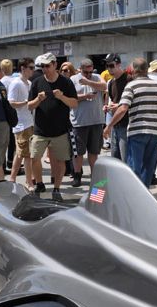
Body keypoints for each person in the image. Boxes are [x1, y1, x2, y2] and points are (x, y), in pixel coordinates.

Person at [104, 58, 157, 186]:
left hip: (137, 132)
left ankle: (132, 198)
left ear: (133, 69)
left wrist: (109, 126)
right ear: (146, 70)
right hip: (155, 133)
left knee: (134, 168)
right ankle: (144, 196)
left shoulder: (131, 86)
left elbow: (123, 108)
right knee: (148, 169)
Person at [28, 53, 78, 201]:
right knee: (34, 157)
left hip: (60, 130)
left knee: (60, 161)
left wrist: (61, 97)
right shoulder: (36, 82)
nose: (44, 69)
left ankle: (57, 187)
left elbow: (75, 103)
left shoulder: (66, 83)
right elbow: (29, 105)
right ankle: (40, 184)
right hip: (40, 129)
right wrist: (38, 99)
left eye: (47, 66)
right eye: (42, 66)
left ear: (55, 65)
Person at [70, 59, 107, 187]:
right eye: (86, 72)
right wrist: (85, 97)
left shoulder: (96, 77)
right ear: (80, 69)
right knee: (78, 152)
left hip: (96, 121)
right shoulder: (73, 79)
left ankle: (94, 176)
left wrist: (88, 82)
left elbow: (104, 86)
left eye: (90, 71)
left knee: (94, 151)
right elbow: (70, 97)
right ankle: (77, 175)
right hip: (79, 122)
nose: (88, 74)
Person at [8, 58, 35, 189]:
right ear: (23, 68)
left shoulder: (28, 83)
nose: (33, 70)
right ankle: (28, 182)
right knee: (27, 154)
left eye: (33, 67)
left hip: (29, 122)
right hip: (20, 124)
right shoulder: (16, 83)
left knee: (21, 154)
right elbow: (11, 103)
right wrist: (26, 102)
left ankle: (12, 178)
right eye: (30, 67)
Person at [104, 53, 130, 162]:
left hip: (127, 125)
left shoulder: (129, 79)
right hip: (115, 124)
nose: (109, 69)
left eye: (111, 65)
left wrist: (118, 106)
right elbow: (113, 100)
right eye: (107, 66)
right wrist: (107, 107)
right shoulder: (110, 83)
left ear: (118, 64)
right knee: (115, 159)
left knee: (126, 160)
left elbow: (133, 102)